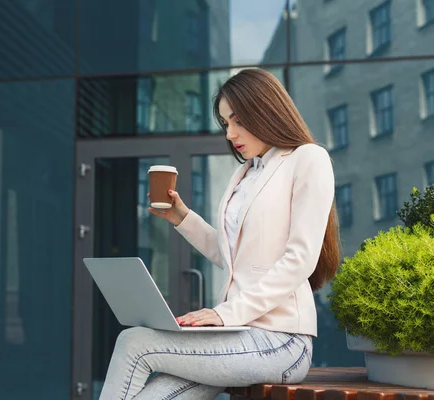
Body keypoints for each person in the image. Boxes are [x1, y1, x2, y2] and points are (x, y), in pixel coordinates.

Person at [99, 68, 341, 400]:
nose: (230, 133)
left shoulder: (307, 159)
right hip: (238, 337)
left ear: (266, 111)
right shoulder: (245, 173)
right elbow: (228, 252)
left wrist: (222, 314)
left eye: (238, 120)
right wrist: (181, 217)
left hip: (281, 340)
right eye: (227, 123)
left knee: (134, 342)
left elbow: (300, 259)